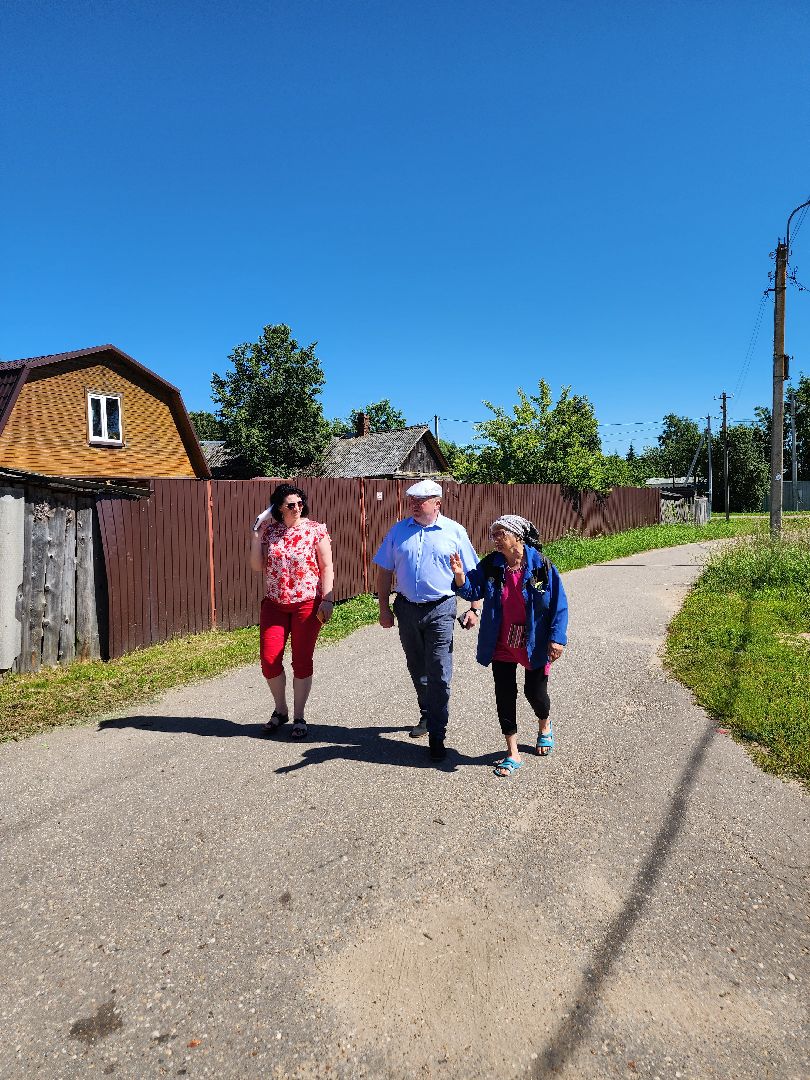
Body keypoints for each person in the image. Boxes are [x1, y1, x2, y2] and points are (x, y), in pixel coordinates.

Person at [449, 514, 568, 777]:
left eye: (500, 534)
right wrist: (459, 576)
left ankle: (544, 725)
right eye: (494, 535)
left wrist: (557, 638)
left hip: (533, 641)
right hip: (501, 641)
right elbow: (471, 591)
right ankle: (512, 752)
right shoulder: (492, 564)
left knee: (534, 692)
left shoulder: (541, 566)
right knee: (504, 693)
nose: (495, 541)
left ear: (518, 537)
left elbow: (559, 604)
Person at [374, 480, 481, 762]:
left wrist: (474, 607)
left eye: (421, 500)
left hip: (441, 608)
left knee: (439, 670)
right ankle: (426, 714)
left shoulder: (454, 532)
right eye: (411, 499)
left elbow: (473, 572)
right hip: (407, 609)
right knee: (417, 667)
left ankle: (437, 732)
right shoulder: (398, 531)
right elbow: (384, 571)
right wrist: (384, 609)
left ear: (437, 503)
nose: (414, 504)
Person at [250, 483, 334, 740]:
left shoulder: (315, 530)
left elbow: (327, 566)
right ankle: (280, 709)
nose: (296, 508)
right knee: (269, 659)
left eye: (299, 503)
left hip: (307, 603)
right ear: (278, 508)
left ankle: (299, 716)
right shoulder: (270, 532)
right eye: (290, 504)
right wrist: (256, 532)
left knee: (301, 660)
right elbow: (256, 566)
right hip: (275, 604)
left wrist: (328, 600)